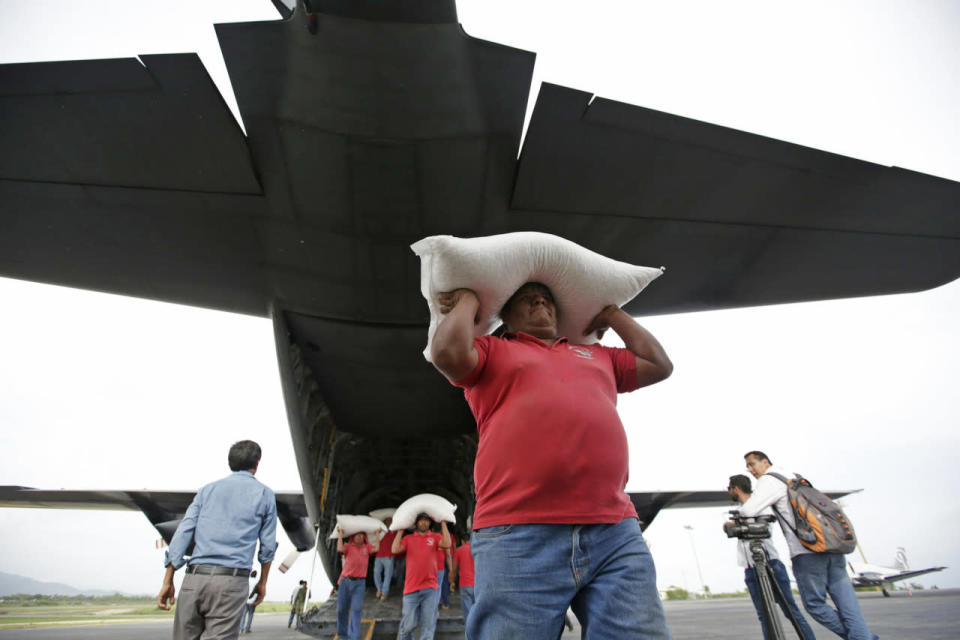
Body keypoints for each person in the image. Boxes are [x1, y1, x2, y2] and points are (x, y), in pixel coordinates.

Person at [431, 282, 674, 640]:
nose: (540, 302)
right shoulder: (492, 350)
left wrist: (610, 313)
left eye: (546, 299)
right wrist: (470, 300)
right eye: (527, 299)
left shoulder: (597, 355)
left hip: (614, 530)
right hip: (519, 532)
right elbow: (447, 353)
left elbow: (659, 364)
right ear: (506, 316)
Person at [738, 451, 878, 640]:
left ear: (765, 462)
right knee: (849, 605)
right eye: (747, 466)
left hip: (807, 552)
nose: (750, 469)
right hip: (832, 547)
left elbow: (748, 510)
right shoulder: (795, 477)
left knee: (814, 605)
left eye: (752, 464)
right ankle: (863, 637)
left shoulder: (769, 479)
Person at [157, 440, 277, 640]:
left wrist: (168, 579)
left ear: (231, 463)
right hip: (231, 583)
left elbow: (183, 532)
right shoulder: (264, 494)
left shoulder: (206, 490)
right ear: (256, 464)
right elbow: (268, 546)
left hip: (193, 579)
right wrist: (262, 582)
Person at [727, 474, 817, 640]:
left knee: (790, 611)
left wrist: (742, 525)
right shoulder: (740, 511)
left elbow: (765, 527)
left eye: (729, 488)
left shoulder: (760, 506)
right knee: (764, 616)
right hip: (751, 569)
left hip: (770, 565)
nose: (729, 492)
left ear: (736, 489)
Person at [392, 514, 451, 640]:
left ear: (430, 523)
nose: (423, 523)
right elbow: (395, 549)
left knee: (428, 627)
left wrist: (444, 524)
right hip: (411, 589)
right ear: (416, 523)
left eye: (426, 521)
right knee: (407, 626)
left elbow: (447, 543)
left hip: (430, 588)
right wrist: (401, 530)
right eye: (421, 521)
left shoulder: (435, 537)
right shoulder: (408, 538)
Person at [336, 527, 380, 640]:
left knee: (356, 609)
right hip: (345, 581)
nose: (360, 537)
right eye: (357, 535)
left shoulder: (367, 547)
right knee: (342, 609)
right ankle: (342, 635)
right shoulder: (348, 547)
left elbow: (376, 548)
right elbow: (339, 548)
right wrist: (340, 534)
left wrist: (376, 534)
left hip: (359, 584)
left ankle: (353, 637)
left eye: (361, 535)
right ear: (352, 537)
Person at [449, 536, 475, 624]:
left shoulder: (459, 550)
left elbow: (454, 569)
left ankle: (470, 633)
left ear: (462, 541)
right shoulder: (476, 549)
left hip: (465, 584)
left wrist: (452, 582)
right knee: (477, 610)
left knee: (467, 612)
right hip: (477, 584)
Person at [374, 517, 398, 601]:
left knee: (388, 575)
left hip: (389, 556)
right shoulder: (379, 531)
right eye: (387, 521)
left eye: (390, 521)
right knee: (376, 572)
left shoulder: (394, 531)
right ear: (384, 522)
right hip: (378, 556)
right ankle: (379, 589)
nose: (389, 522)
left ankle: (385, 592)